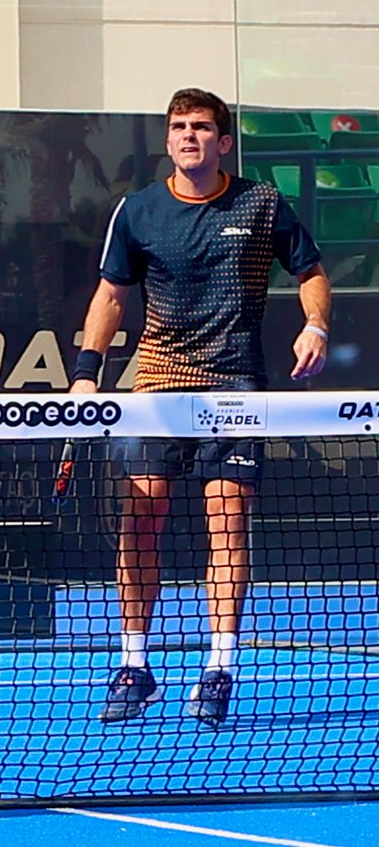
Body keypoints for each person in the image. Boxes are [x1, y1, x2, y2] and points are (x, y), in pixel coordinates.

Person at [71, 88, 330, 727]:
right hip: (157, 388)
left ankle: (219, 668)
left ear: (224, 141)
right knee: (141, 519)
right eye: (179, 127)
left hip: (235, 389)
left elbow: (312, 272)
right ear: (168, 140)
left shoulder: (262, 204)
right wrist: (86, 375)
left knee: (227, 522)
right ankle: (134, 664)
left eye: (203, 127)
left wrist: (315, 325)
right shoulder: (137, 211)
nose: (189, 136)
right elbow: (111, 296)